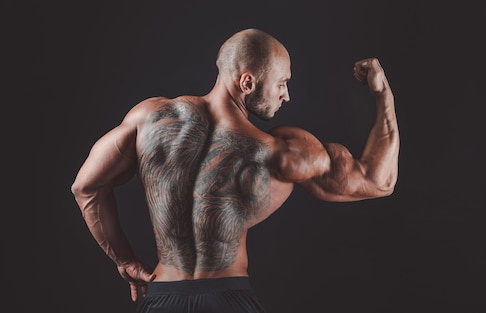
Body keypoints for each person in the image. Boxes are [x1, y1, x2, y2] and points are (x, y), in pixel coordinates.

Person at [71, 28, 399, 313]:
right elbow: (378, 181)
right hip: (229, 300)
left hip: (161, 297)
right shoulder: (281, 151)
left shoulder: (149, 119)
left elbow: (85, 187)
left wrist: (124, 260)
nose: (286, 95)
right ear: (247, 82)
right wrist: (383, 94)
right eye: (282, 83)